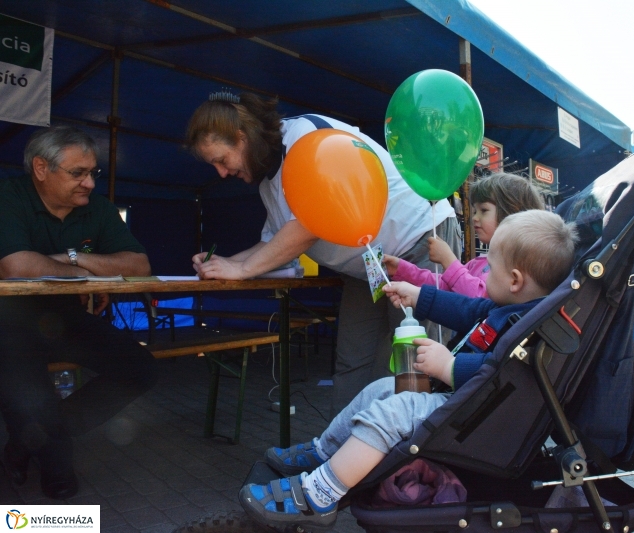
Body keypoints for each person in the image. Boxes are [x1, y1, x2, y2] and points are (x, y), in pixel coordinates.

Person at [238, 210, 577, 531]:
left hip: (474, 417)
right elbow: (466, 308)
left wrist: (450, 366)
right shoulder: (508, 308)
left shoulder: (531, 328)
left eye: (490, 268)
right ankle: (324, 451)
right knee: (383, 387)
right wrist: (417, 295)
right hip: (463, 403)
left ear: (516, 280)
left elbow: (509, 375)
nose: (484, 274)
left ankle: (321, 494)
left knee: (392, 414)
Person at [185, 93, 461, 416]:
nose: (220, 173)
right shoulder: (266, 186)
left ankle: (395, 459)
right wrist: (225, 264)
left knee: (408, 364)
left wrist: (242, 269)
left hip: (419, 240)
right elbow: (275, 243)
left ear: (241, 138)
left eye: (221, 159)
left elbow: (308, 225)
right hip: (368, 265)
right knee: (351, 360)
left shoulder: (306, 137)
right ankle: (337, 451)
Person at [0, 126, 158, 499]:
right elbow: (17, 267)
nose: (89, 183)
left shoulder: (97, 209)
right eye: (78, 173)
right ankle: (49, 459)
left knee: (141, 368)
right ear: (41, 168)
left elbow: (139, 265)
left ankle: (20, 447)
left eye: (93, 173)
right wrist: (87, 274)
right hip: (7, 322)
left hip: (65, 318)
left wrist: (72, 258)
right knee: (58, 475)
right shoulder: (8, 196)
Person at [383, 172, 544, 297]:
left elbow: (479, 297)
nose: (475, 217)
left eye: (484, 210)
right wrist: (402, 269)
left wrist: (449, 260)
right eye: (475, 211)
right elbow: (446, 285)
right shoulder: (481, 262)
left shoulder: (514, 266)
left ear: (512, 213)